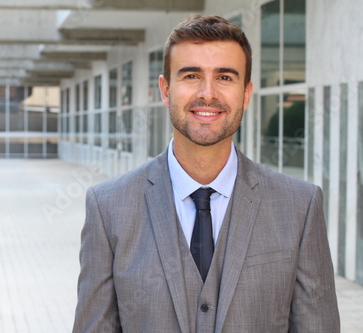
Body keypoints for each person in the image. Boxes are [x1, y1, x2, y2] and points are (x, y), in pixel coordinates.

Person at [72, 15, 340, 333]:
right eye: (192, 75)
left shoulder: (299, 206)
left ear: (246, 93)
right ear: (165, 90)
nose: (208, 93)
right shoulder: (108, 207)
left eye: (225, 77)